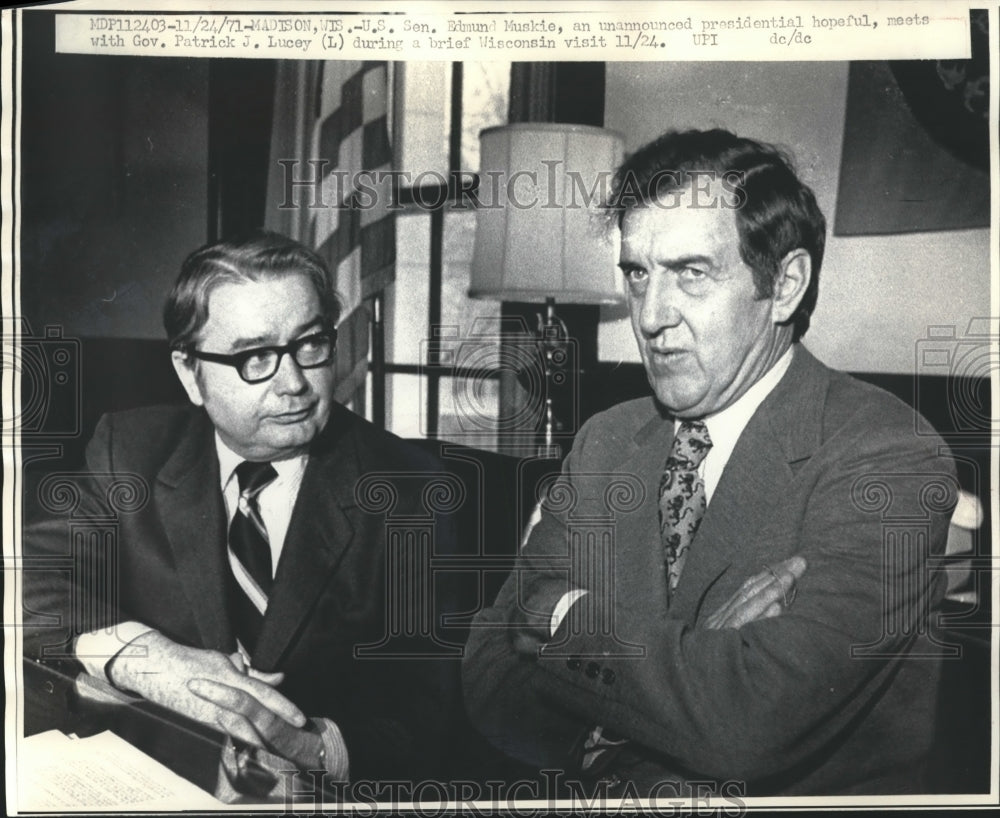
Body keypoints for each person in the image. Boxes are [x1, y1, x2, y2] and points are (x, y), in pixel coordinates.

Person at [462, 129, 958, 796]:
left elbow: (751, 723)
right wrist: (681, 676)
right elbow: (490, 666)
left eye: (691, 273)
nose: (651, 316)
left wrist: (560, 621)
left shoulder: (888, 455)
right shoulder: (608, 440)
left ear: (784, 287)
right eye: (638, 273)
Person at [23, 231, 459, 801]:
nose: (294, 383)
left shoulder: (411, 490)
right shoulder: (131, 450)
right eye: (255, 357)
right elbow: (22, 578)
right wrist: (148, 659)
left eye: (310, 344)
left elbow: (440, 714)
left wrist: (315, 749)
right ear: (189, 371)